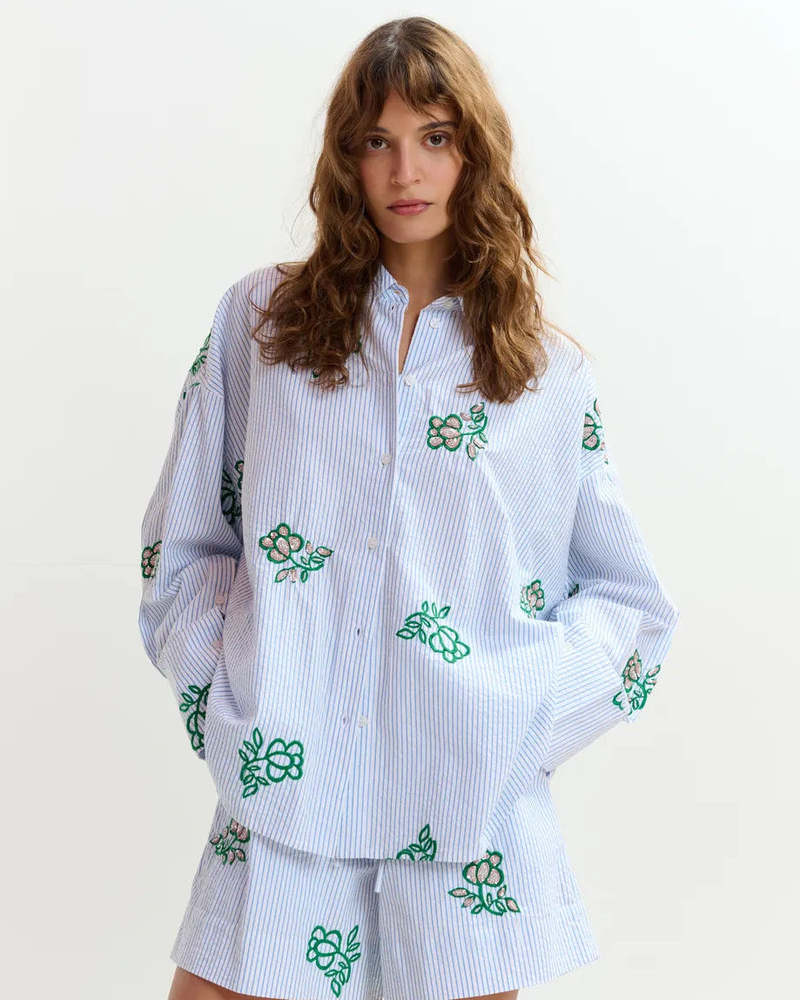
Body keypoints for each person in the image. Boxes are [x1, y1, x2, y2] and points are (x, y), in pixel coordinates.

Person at [138, 16, 679, 1000]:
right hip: (285, 801)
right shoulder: (261, 327)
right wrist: (232, 698)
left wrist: (513, 725)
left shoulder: (544, 374)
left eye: (434, 137)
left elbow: (630, 606)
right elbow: (184, 544)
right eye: (376, 140)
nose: (405, 171)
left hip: (465, 827)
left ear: (475, 151)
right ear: (346, 157)